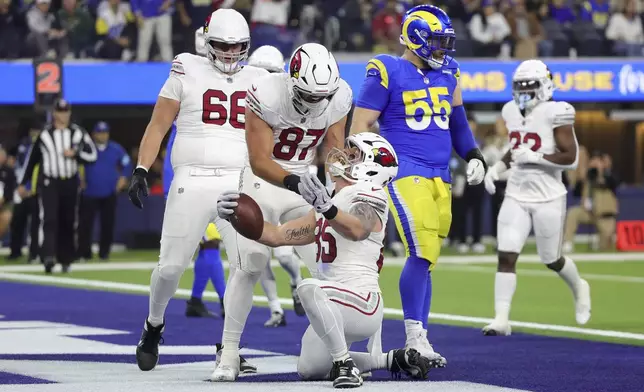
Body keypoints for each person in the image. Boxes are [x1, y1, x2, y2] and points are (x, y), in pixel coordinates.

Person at [218, 132, 431, 388]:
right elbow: (275, 235)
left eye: (354, 155)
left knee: (308, 287)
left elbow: (358, 229)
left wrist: (326, 207)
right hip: (334, 301)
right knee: (310, 368)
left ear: (372, 168)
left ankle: (345, 364)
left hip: (362, 302)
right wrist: (235, 216)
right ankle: (390, 360)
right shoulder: (332, 201)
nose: (343, 156)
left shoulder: (370, 192)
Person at [127, 9, 268, 372]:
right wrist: (142, 168)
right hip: (192, 178)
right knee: (171, 268)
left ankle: (230, 347)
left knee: (249, 263)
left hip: (238, 181)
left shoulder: (258, 77)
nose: (230, 54)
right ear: (208, 43)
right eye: (222, 46)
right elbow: (159, 124)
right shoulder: (186, 66)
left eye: (237, 47)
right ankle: (153, 325)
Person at [349, 4, 487, 367]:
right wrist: (365, 170)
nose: (443, 50)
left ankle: (421, 337)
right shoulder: (388, 69)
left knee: (427, 260)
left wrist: (473, 153)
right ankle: (414, 336)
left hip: (440, 173)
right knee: (422, 249)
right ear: (416, 39)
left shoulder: (450, 73)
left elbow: (457, 123)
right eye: (438, 42)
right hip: (405, 169)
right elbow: (359, 127)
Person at [212, 42, 352, 382]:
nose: (317, 102)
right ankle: (228, 353)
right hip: (265, 182)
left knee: (326, 266)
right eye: (309, 94)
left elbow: (335, 150)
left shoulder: (340, 95)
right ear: (291, 79)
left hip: (305, 180)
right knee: (250, 264)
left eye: (323, 96)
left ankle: (341, 356)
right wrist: (294, 181)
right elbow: (260, 159)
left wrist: (337, 187)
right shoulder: (265, 92)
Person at [482, 59, 591, 336]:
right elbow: (518, 146)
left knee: (551, 259)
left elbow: (571, 158)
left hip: (549, 195)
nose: (522, 93)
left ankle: (579, 286)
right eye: (519, 87)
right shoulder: (510, 110)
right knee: (506, 254)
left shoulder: (558, 111)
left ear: (544, 86)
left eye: (529, 87)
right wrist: (497, 168)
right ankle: (501, 319)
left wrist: (538, 158)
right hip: (517, 192)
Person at [159, 27, 227, 319]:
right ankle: (226, 301)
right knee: (209, 242)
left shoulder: (205, 76)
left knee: (208, 244)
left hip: (200, 168)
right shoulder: (189, 77)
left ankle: (196, 300)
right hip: (191, 171)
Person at [247, 44, 306, 327]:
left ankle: (297, 283)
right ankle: (275, 308)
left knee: (283, 253)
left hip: (285, 180)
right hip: (254, 181)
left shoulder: (291, 101)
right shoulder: (249, 100)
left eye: (271, 73)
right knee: (255, 255)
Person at [18, 99, 98, 274]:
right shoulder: (45, 135)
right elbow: (31, 161)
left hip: (69, 181)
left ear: (69, 113)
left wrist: (76, 154)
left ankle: (66, 258)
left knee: (68, 220)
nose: (63, 115)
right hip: (50, 182)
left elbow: (93, 156)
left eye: (66, 111)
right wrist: (23, 182)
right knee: (49, 218)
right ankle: (47, 256)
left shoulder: (78, 133)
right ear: (54, 113)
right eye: (60, 112)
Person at [78, 121, 131, 261]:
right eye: (100, 132)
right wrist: (79, 179)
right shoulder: (87, 148)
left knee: (107, 224)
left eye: (105, 132)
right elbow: (77, 164)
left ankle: (104, 252)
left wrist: (123, 179)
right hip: (89, 192)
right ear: (94, 134)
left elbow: (126, 163)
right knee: (85, 225)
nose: (103, 135)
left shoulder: (116, 149)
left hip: (109, 192)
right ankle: (85, 253)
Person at [7, 120, 43, 262]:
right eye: (33, 130)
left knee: (35, 224)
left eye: (37, 131)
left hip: (35, 190)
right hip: (21, 189)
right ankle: (15, 251)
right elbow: (15, 164)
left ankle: (34, 253)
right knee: (17, 222)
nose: (34, 134)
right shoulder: (22, 144)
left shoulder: (43, 147)